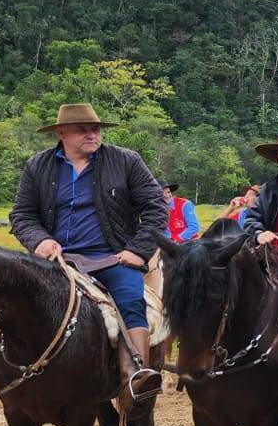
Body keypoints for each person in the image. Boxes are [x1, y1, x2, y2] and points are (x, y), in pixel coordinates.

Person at [9, 102, 168, 400]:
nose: (92, 135)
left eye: (94, 129)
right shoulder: (37, 166)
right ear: (61, 133)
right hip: (58, 259)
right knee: (12, 303)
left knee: (131, 300)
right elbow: (22, 214)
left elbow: (157, 207)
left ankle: (135, 378)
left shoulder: (126, 161)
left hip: (113, 256)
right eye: (82, 130)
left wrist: (137, 249)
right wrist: (39, 241)